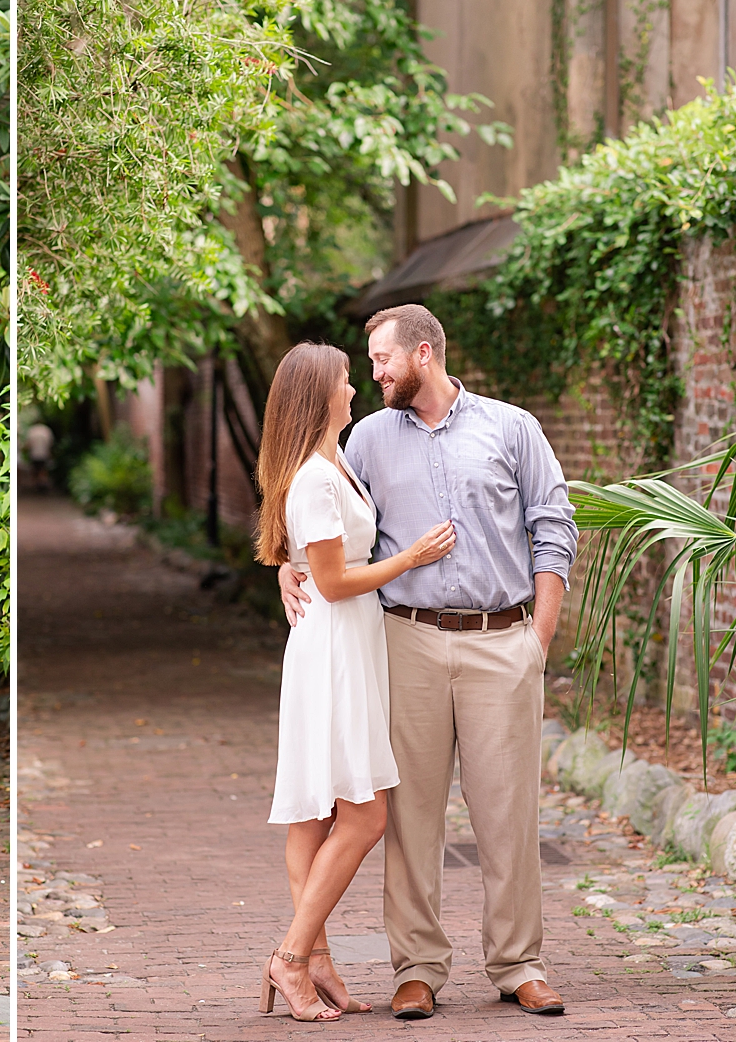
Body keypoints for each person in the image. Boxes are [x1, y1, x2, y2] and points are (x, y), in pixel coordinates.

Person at [279, 304, 577, 1019]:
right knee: (409, 815)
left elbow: (553, 525)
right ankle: (416, 969)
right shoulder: (369, 440)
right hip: (403, 642)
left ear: (422, 353)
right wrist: (287, 567)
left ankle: (518, 964)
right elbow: (323, 517)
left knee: (508, 811)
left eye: (381, 359)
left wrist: (537, 636)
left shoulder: (512, 428)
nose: (374, 373)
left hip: (501, 638)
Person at [256, 342, 456, 1022]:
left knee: (317, 811)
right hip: (336, 647)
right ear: (321, 397)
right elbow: (336, 582)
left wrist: (290, 565)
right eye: (346, 380)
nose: (355, 387)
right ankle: (290, 959)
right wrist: (411, 557)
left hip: (348, 645)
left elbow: (310, 560)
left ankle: (314, 961)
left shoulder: (334, 460)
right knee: (362, 813)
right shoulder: (315, 475)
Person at [25, 421, 55, 492]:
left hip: (34, 454)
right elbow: (51, 443)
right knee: (43, 470)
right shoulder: (46, 430)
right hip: (44, 453)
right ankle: (42, 483)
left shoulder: (32, 430)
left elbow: (28, 443)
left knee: (35, 470)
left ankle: (36, 485)